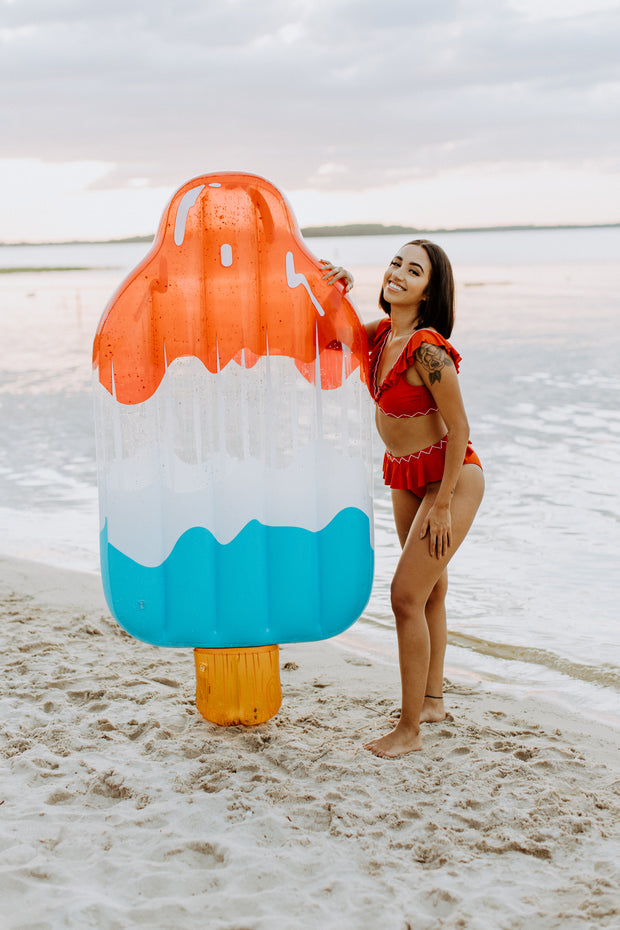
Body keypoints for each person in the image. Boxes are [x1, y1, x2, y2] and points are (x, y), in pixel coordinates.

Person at [321, 241, 484, 757]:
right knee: (430, 592)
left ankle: (409, 730)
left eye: (413, 271)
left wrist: (441, 504)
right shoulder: (378, 338)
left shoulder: (427, 348)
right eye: (396, 263)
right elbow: (328, 339)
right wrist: (336, 289)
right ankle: (433, 701)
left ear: (429, 291)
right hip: (404, 473)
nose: (399, 274)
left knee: (405, 598)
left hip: (450, 479)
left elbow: (458, 429)